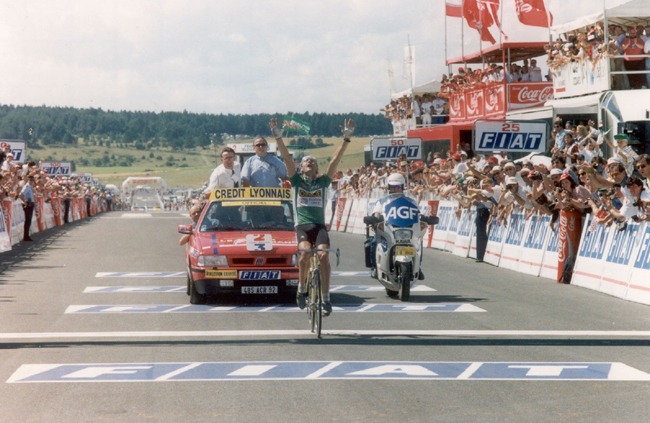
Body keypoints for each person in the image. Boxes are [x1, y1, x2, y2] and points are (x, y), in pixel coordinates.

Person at [271, 117, 354, 317]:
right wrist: (279, 138)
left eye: (313, 162)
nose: (309, 162)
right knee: (305, 255)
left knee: (324, 256)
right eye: (306, 161)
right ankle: (301, 289)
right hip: (302, 226)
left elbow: (335, 161)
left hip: (319, 226)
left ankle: (326, 298)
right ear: (301, 167)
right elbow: (287, 159)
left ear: (316, 169)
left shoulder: (323, 181)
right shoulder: (297, 181)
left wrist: (346, 139)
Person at [368, 173, 424, 279]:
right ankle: (375, 267)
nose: (395, 189)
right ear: (389, 187)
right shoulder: (382, 201)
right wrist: (375, 219)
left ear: (402, 187)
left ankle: (418, 267)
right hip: (388, 229)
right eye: (393, 187)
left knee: (418, 242)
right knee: (375, 241)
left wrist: (424, 219)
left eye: (397, 187)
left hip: (407, 230)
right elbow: (376, 213)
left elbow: (418, 214)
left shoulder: (411, 201)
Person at [20, 175, 35, 242]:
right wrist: (25, 202)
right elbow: (21, 194)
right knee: (27, 220)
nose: (32, 182)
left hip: (30, 204)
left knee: (29, 220)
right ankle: (25, 236)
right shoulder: (27, 187)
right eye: (32, 181)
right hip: (28, 204)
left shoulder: (30, 187)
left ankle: (27, 235)